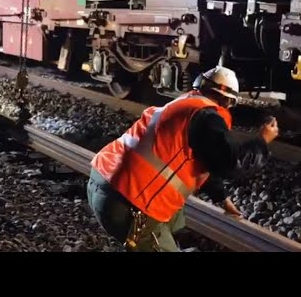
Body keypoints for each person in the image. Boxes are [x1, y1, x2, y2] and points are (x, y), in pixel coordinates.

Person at [87, 66, 279, 252]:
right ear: (227, 100)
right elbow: (232, 163)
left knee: (174, 218)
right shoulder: (208, 116)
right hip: (131, 204)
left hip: (102, 184)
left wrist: (220, 197)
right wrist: (262, 141)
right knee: (150, 236)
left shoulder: (183, 107)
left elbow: (199, 159)